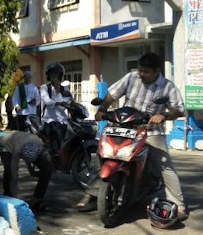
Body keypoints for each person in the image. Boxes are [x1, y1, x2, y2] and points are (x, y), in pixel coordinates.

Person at [77, 52, 188, 220]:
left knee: (164, 165)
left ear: (157, 70)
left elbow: (178, 108)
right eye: (140, 70)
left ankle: (178, 206)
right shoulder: (131, 77)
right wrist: (102, 109)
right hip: (123, 126)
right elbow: (112, 93)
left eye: (146, 71)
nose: (141, 74)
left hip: (150, 131)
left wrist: (164, 115)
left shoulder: (167, 87)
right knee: (101, 154)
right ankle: (92, 194)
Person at [0, 131, 53, 213]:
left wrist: (31, 170)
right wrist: (15, 197)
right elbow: (14, 173)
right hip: (6, 145)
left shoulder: (39, 144)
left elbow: (30, 158)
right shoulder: (17, 150)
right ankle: (9, 198)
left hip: (25, 143)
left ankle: (37, 198)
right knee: (9, 172)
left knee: (47, 167)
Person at [40, 62, 72, 154]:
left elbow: (69, 101)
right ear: (48, 76)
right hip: (48, 121)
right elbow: (47, 101)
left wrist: (78, 108)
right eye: (52, 74)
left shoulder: (65, 89)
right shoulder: (45, 87)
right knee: (56, 134)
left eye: (56, 74)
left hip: (63, 120)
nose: (54, 77)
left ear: (60, 76)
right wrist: (59, 103)